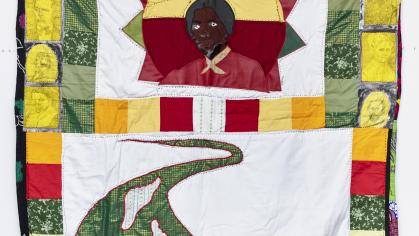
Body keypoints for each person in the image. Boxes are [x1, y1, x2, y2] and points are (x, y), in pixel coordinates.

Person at [161, 0, 272, 92]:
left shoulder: (250, 70)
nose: (203, 32)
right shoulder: (179, 76)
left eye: (212, 24)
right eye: (196, 26)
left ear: (227, 28)